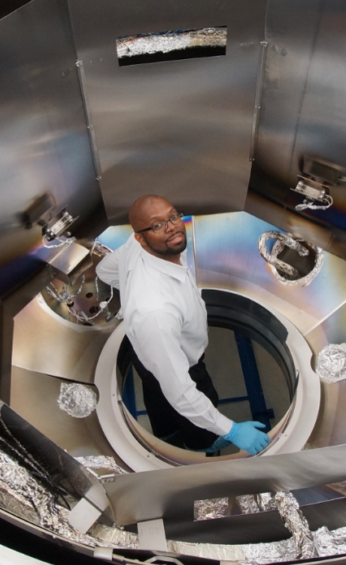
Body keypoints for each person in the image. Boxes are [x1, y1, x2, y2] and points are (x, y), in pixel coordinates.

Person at [96, 195, 271, 455]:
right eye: (157, 225)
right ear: (140, 237)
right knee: (188, 408)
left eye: (173, 216)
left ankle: (167, 437)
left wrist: (131, 288)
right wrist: (231, 430)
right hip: (183, 365)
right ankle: (198, 446)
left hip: (147, 359)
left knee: (159, 404)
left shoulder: (142, 247)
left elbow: (104, 270)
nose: (172, 227)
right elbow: (181, 392)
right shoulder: (156, 312)